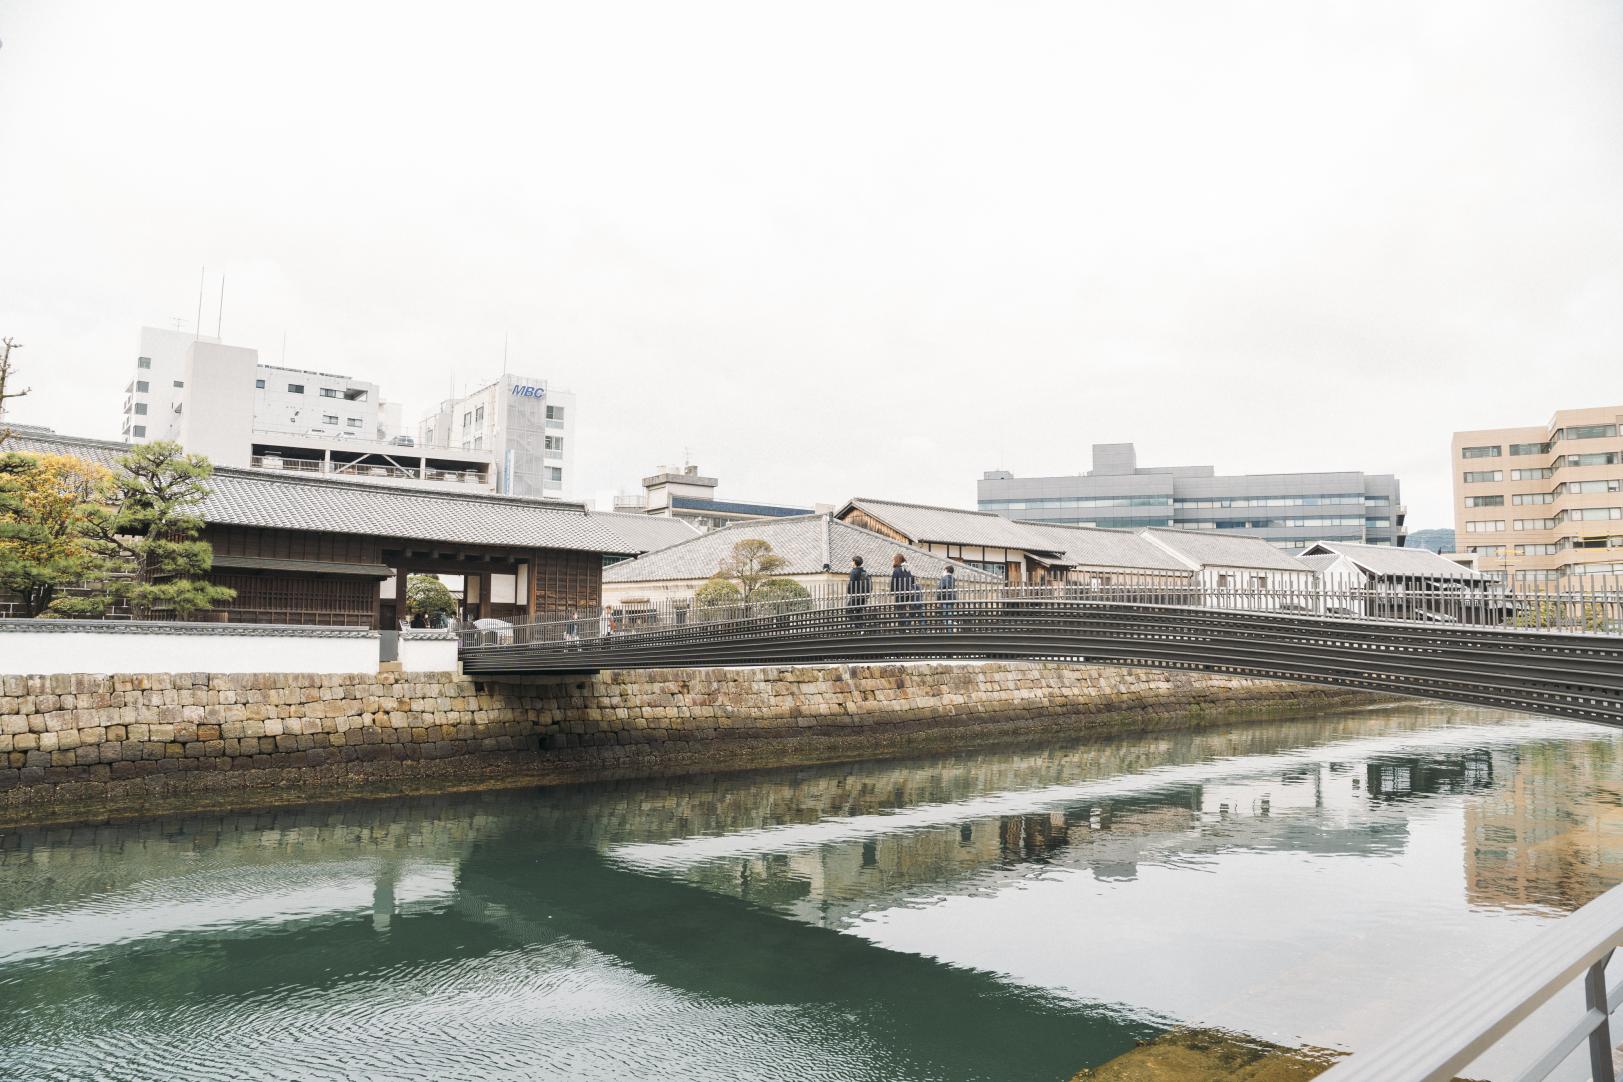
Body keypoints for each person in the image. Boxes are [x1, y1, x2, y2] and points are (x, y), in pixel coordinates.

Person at [891, 553, 919, 628]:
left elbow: (894, 582)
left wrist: (892, 591)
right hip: (907, 592)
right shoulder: (907, 570)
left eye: (893, 560)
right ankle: (905, 626)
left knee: (899, 610)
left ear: (896, 560)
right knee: (903, 609)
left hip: (899, 593)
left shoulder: (896, 570)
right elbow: (910, 580)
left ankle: (902, 627)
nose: (892, 561)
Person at [846, 555, 871, 629]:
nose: (851, 563)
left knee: (848, 611)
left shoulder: (854, 571)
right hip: (863, 595)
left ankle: (858, 627)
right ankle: (862, 627)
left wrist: (849, 591)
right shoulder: (864, 571)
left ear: (854, 562)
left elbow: (852, 583)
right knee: (858, 612)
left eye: (852, 561)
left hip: (855, 595)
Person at [938, 563, 957, 630]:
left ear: (946, 570)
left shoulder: (944, 578)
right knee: (950, 616)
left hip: (945, 599)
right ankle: (950, 630)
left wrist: (938, 598)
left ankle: (948, 631)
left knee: (946, 617)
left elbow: (941, 588)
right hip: (952, 598)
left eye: (944, 570)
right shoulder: (953, 578)